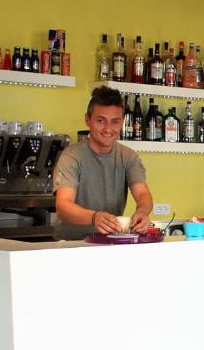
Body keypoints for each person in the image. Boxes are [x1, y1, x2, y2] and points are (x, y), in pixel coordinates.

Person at [53, 86, 153, 240]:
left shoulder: (129, 157)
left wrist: (141, 213)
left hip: (110, 244)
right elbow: (63, 205)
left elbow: (143, 194)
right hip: (72, 246)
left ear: (122, 123)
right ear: (88, 120)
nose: (108, 129)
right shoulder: (72, 157)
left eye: (115, 122)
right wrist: (94, 217)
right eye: (101, 121)